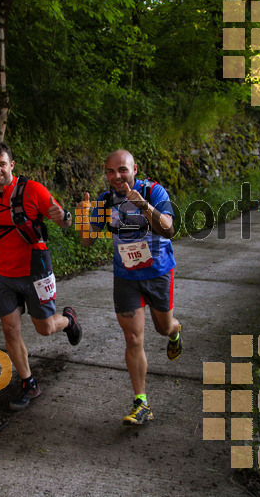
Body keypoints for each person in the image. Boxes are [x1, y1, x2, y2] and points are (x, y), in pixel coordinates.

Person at [0, 142, 82, 411]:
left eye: (2, 164)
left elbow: (63, 220)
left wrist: (64, 216)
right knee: (10, 329)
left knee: (45, 328)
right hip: (3, 272)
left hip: (35, 268)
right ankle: (29, 383)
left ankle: (69, 320)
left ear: (11, 165)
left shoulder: (33, 190)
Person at [77, 149, 182, 425]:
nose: (116, 176)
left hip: (158, 272)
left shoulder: (154, 192)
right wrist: (83, 217)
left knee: (163, 328)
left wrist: (144, 206)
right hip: (126, 276)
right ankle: (141, 402)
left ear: (135, 169)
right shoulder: (106, 200)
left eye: (122, 170)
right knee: (133, 339)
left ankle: (175, 331)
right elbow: (87, 241)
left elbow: (170, 230)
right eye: (111, 171)